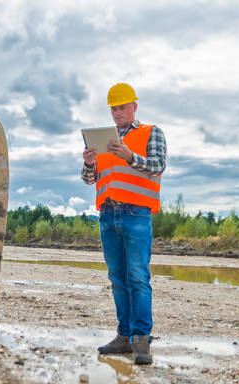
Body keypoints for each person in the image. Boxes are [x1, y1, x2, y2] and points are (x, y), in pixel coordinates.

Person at [81, 83, 166, 365]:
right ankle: (124, 337)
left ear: (134, 107)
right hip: (108, 214)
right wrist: (90, 163)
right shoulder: (104, 139)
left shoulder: (151, 132)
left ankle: (141, 341)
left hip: (136, 214)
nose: (118, 113)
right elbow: (90, 179)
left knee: (138, 278)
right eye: (114, 109)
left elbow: (157, 165)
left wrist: (128, 155)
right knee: (118, 278)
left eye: (122, 107)